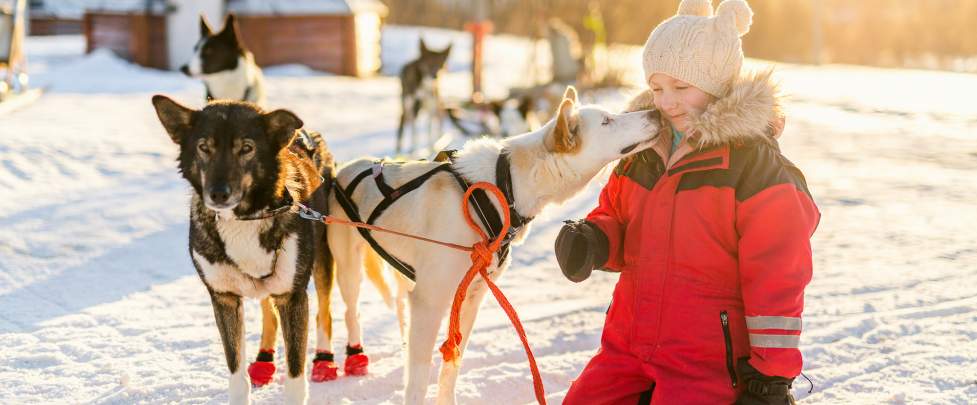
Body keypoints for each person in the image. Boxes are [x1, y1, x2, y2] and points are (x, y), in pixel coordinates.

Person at [555, 1, 820, 404]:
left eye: (682, 88)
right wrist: (594, 239)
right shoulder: (642, 148)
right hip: (628, 345)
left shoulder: (753, 168)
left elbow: (778, 277)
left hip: (707, 358)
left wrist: (770, 377)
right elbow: (616, 214)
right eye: (657, 88)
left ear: (717, 86)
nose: (667, 102)